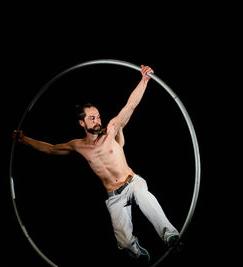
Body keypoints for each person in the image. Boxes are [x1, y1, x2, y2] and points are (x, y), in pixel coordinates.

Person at [12, 65, 179, 263]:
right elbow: (50, 149)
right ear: (82, 123)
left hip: (132, 182)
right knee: (123, 243)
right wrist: (24, 140)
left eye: (98, 116)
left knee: (144, 195)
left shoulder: (111, 130)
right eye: (92, 118)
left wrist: (144, 80)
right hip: (113, 196)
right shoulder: (78, 146)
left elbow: (130, 106)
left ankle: (169, 234)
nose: (98, 120)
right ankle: (135, 249)